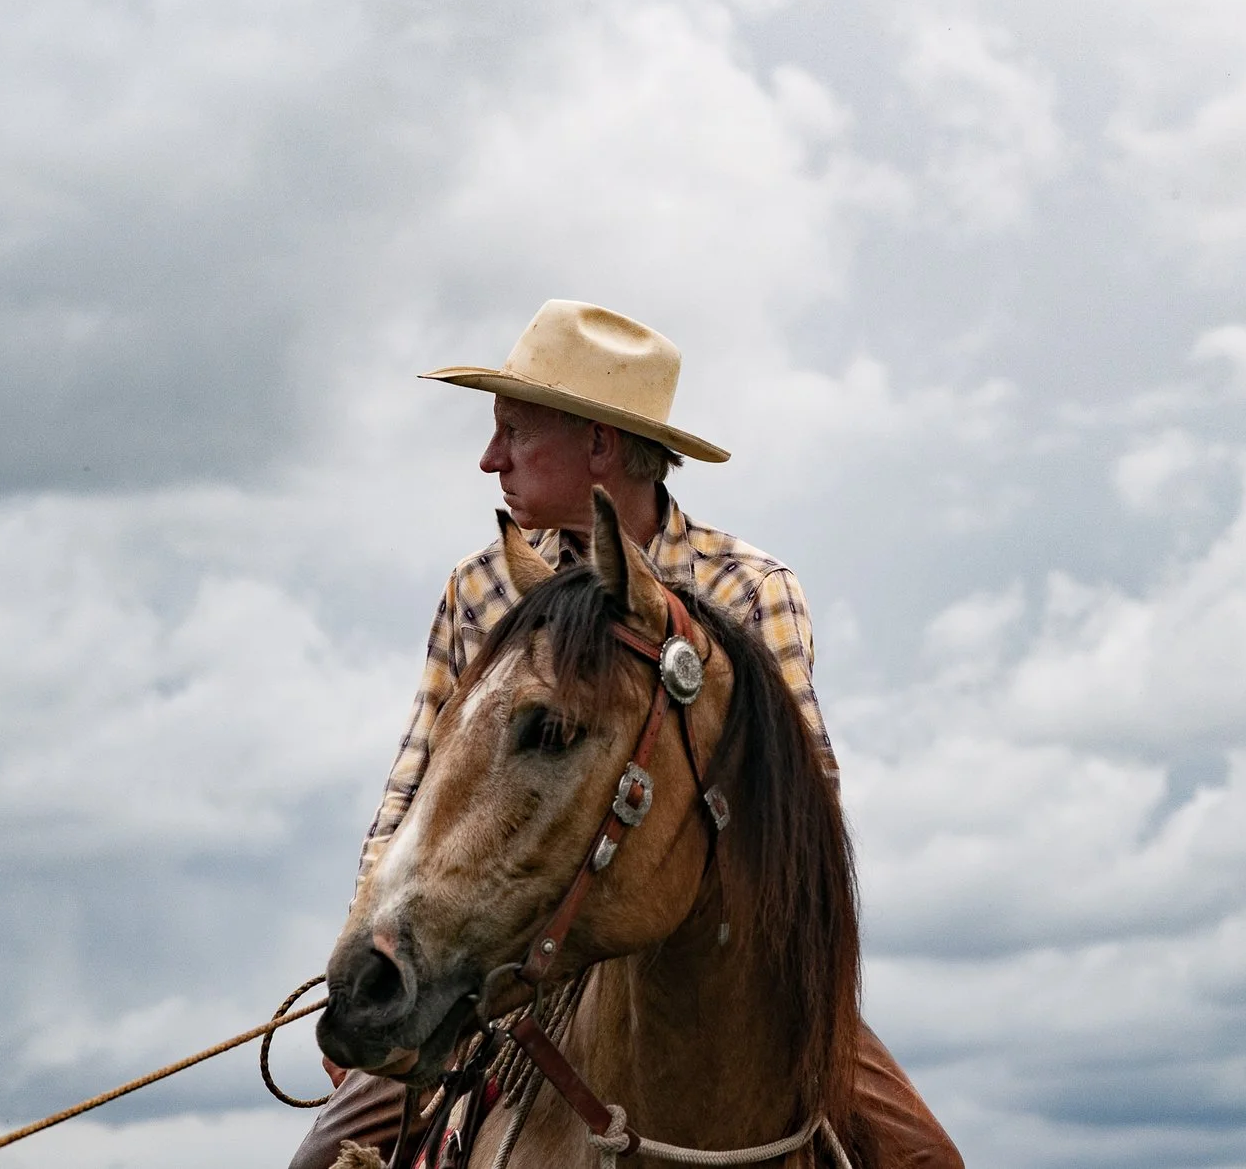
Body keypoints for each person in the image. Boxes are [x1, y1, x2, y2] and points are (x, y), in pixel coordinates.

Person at [290, 300, 961, 1169]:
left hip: (721, 978)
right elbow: (417, 787)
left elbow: (806, 817)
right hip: (499, 956)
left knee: (926, 1160)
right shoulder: (485, 587)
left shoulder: (751, 588)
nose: (490, 457)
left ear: (599, 445)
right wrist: (371, 943)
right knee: (323, 1160)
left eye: (515, 431)